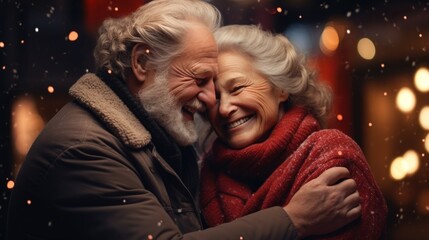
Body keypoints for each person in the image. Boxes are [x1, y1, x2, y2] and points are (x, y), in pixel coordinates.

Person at [6, 1, 361, 239]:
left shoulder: (150, 139)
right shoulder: (84, 149)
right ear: (143, 64)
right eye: (200, 80)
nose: (213, 103)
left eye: (230, 85)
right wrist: (293, 219)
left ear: (280, 89)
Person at [199, 24, 387, 239]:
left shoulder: (331, 156)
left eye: (237, 88)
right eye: (215, 97)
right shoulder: (204, 175)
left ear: (280, 88)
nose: (224, 109)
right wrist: (292, 220)